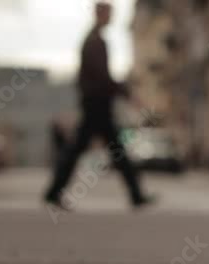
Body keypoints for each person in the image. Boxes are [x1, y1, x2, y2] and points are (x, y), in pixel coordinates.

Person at [44, 2, 153, 210]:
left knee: (98, 149)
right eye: (108, 14)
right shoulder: (95, 42)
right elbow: (103, 77)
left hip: (96, 103)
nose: (111, 18)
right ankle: (136, 194)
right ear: (99, 14)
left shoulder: (94, 40)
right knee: (108, 149)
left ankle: (54, 192)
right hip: (97, 105)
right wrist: (127, 93)